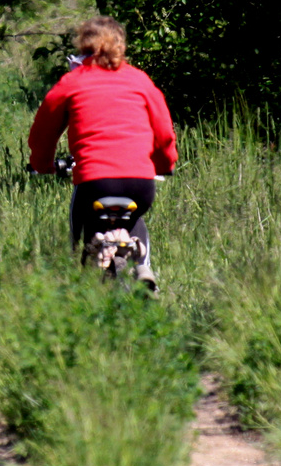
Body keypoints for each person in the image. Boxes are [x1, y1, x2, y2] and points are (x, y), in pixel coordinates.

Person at [27, 16, 177, 287]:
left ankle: (83, 273)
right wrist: (164, 164)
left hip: (94, 182)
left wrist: (42, 164)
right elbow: (164, 133)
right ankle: (144, 269)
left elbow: (42, 132)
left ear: (84, 46)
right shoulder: (140, 81)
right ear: (121, 46)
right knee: (134, 216)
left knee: (82, 228)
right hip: (140, 184)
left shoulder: (72, 82)